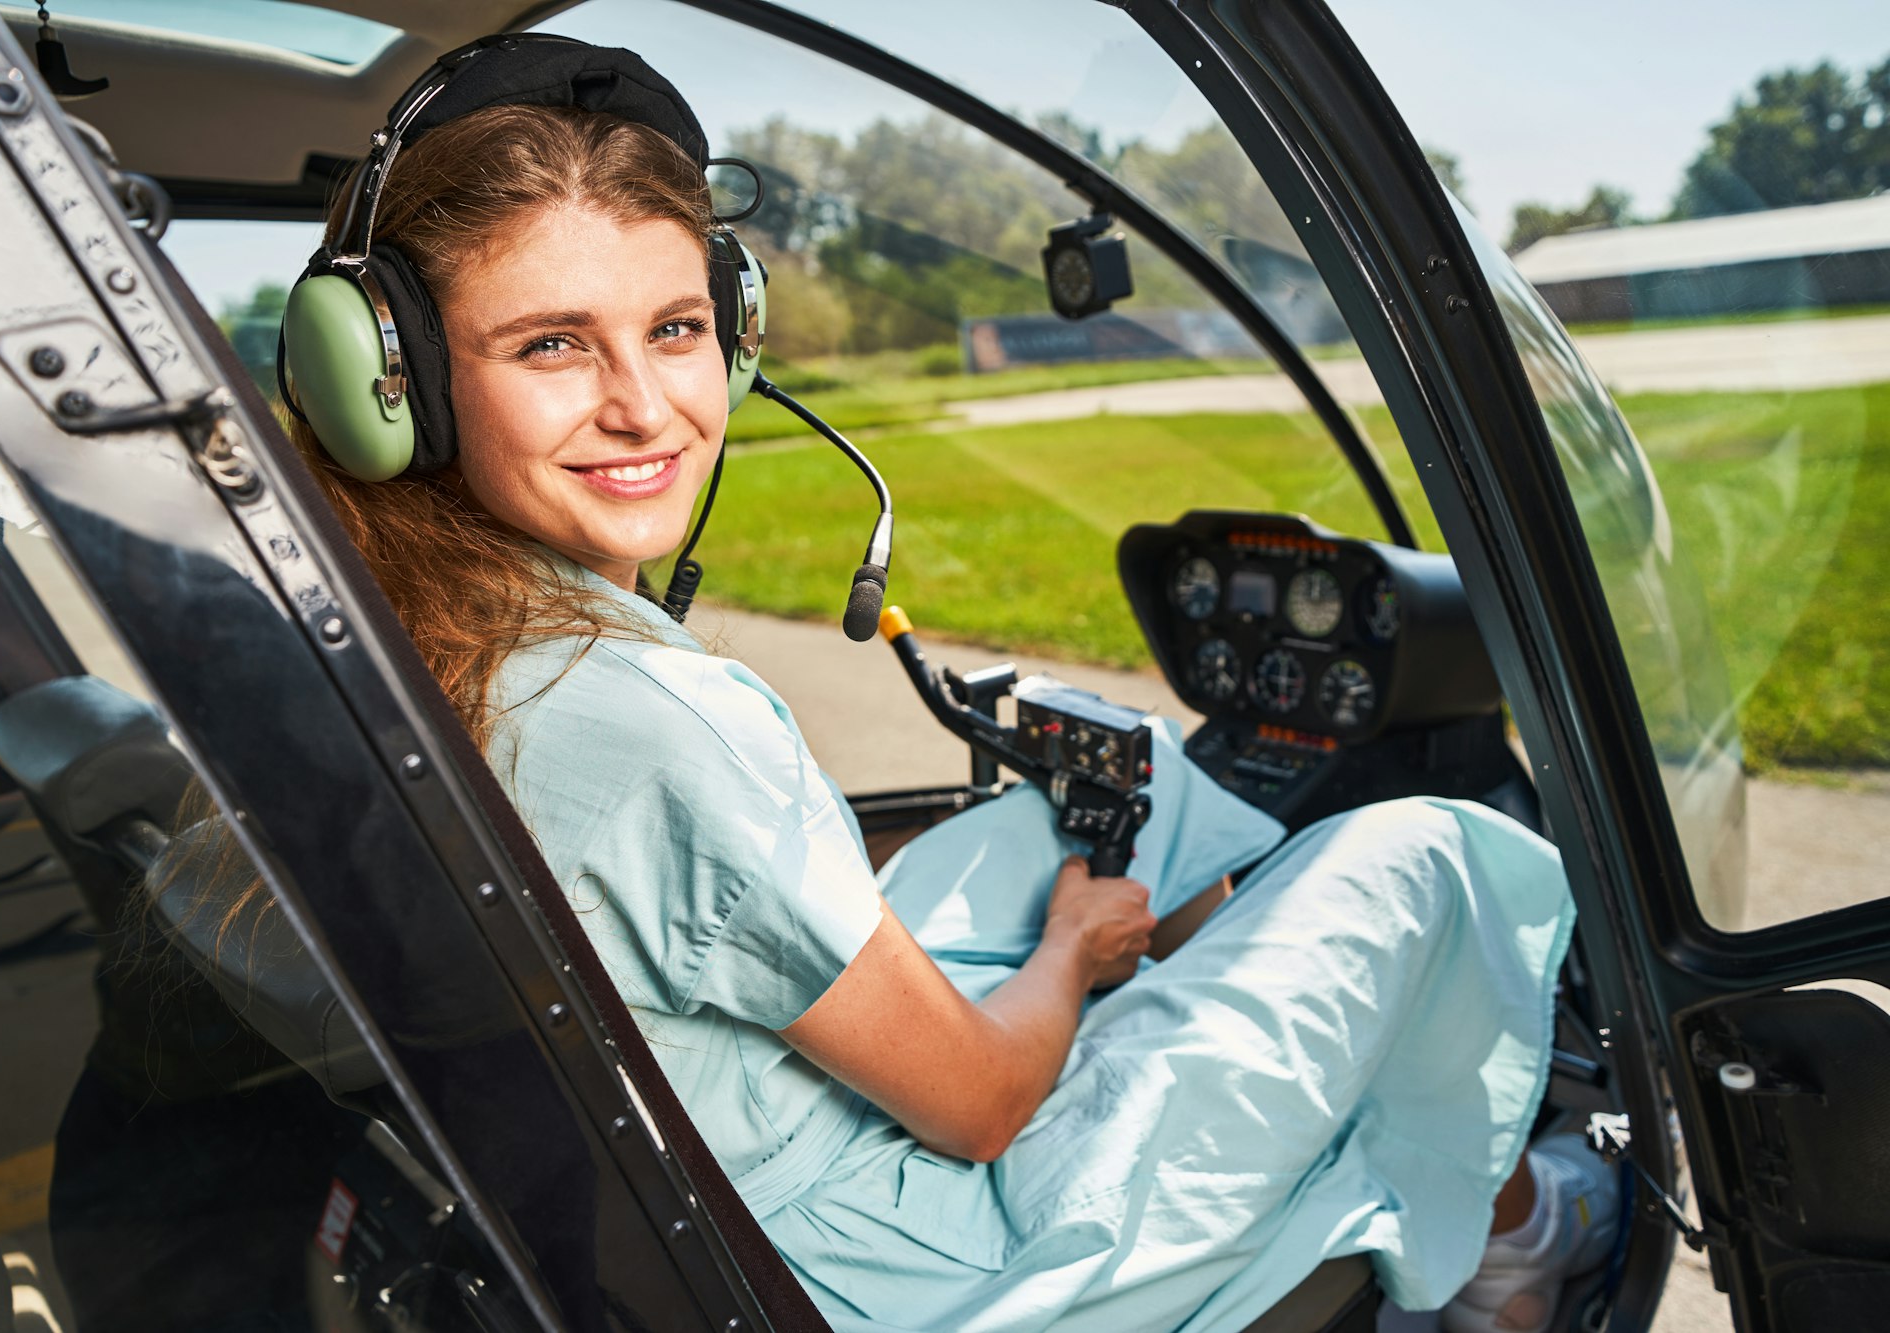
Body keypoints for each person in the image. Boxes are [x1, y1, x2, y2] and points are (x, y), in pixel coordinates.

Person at [280, 41, 1616, 1333]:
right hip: (935, 1262)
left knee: (1096, 818)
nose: (648, 406)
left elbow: (678, 911)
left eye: (674, 327)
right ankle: (1518, 1244)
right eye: (552, 347)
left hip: (717, 1205)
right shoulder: (645, 720)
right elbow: (980, 1106)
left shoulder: (398, 656)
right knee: (1426, 860)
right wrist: (1071, 956)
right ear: (395, 381)